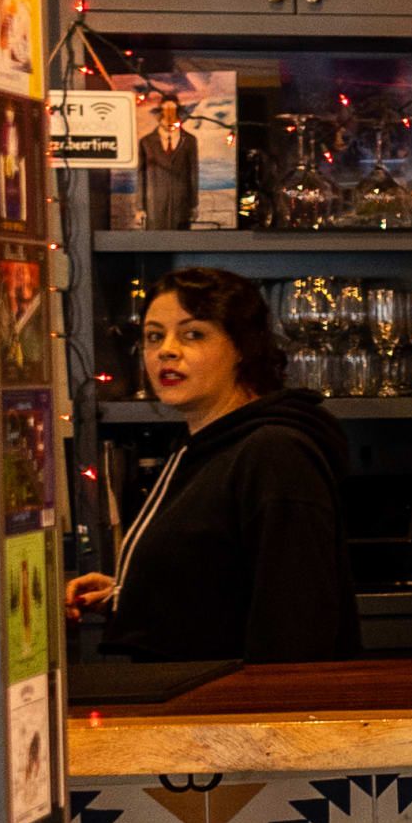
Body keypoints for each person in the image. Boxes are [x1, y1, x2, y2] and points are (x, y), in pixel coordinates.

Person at [64, 270, 359, 664]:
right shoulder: (200, 445)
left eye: (193, 334)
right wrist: (130, 591)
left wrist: (257, 723)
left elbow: (296, 626)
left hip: (236, 716)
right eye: (154, 336)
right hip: (190, 708)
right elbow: (219, 585)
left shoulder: (273, 451)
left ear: (243, 347)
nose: (166, 351)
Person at [135, 91, 198, 230]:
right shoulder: (147, 142)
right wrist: (140, 207)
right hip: (155, 205)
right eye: (166, 108)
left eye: (173, 108)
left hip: (181, 205)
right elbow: (141, 176)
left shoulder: (189, 141)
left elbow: (193, 174)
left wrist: (194, 205)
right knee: (156, 244)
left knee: (181, 242)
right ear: (161, 110)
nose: (169, 112)